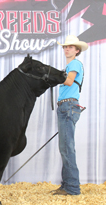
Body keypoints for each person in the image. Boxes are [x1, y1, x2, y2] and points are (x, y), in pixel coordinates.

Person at [52, 35, 88, 196]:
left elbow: (69, 81)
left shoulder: (74, 64)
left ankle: (72, 187)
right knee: (65, 147)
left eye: (70, 47)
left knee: (67, 148)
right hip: (67, 106)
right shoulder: (70, 65)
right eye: (65, 47)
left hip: (68, 106)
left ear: (77, 50)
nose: (67, 49)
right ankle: (67, 184)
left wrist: (53, 77)